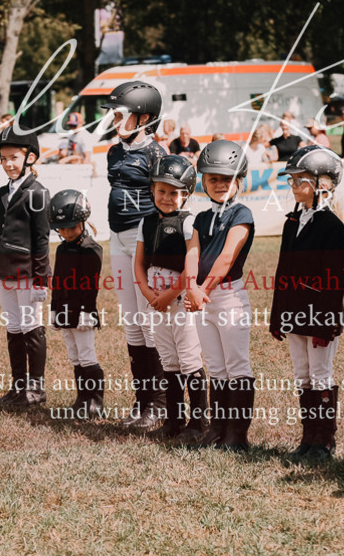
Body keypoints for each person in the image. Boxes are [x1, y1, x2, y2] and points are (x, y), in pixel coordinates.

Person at [269, 146, 344, 461]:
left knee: (320, 373)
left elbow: (334, 282)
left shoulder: (333, 228)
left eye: (299, 179)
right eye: (292, 179)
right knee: (301, 373)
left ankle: (324, 441)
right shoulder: (292, 222)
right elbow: (282, 272)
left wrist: (326, 323)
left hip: (319, 317)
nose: (293, 185)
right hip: (293, 312)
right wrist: (277, 315)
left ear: (322, 185)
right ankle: (308, 436)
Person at [102, 81, 168, 429]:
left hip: (145, 239)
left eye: (119, 114)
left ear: (143, 117)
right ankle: (142, 401)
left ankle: (159, 405)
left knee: (149, 323)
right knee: (132, 324)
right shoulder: (114, 152)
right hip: (116, 238)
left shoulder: (158, 155)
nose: (113, 121)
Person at [185, 140, 256, 451]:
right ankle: (218, 428)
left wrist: (203, 290)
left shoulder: (242, 214)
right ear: (203, 180)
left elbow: (227, 258)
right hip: (203, 299)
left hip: (228, 298)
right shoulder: (200, 218)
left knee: (237, 364)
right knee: (215, 365)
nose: (219, 184)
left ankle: (237, 435)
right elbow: (192, 254)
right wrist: (191, 286)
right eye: (213, 178)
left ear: (238, 180)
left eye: (226, 179)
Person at [133, 155, 207, 442]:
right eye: (161, 190)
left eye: (174, 192)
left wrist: (169, 295)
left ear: (186, 194)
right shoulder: (146, 222)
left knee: (189, 359)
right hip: (156, 302)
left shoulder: (189, 223)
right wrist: (150, 294)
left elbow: (193, 263)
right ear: (152, 189)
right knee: (168, 359)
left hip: (178, 302)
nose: (166, 197)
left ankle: (198, 424)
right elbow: (138, 264)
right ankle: (173, 422)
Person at [0, 125, 52, 407]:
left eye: (13, 157)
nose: (8, 164)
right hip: (4, 271)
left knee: (31, 326)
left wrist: (40, 280)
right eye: (3, 159)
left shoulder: (37, 192)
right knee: (13, 327)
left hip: (27, 272)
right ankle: (18, 385)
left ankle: (36, 389)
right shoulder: (2, 193)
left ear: (31, 158)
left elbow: (41, 240)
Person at [49, 189, 105, 420]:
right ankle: (81, 399)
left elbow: (90, 286)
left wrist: (86, 312)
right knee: (74, 356)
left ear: (83, 221)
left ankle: (95, 402)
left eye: (71, 227)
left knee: (86, 354)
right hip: (64, 311)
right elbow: (57, 282)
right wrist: (54, 311)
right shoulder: (62, 249)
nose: (66, 232)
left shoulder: (92, 250)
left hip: (83, 312)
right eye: (61, 228)